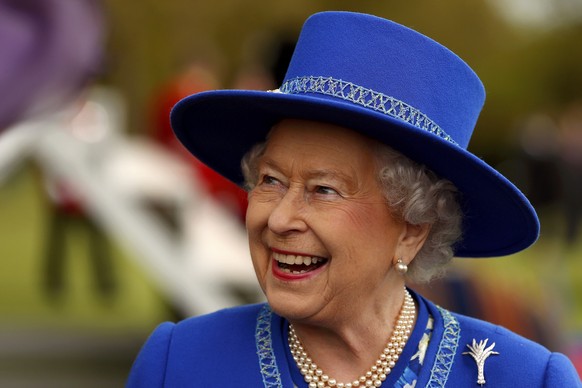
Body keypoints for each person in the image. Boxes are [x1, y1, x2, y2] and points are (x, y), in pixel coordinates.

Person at [127, 11, 581, 387]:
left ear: (412, 229)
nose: (280, 218)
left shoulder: (524, 378)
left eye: (324, 190)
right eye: (270, 181)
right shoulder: (177, 364)